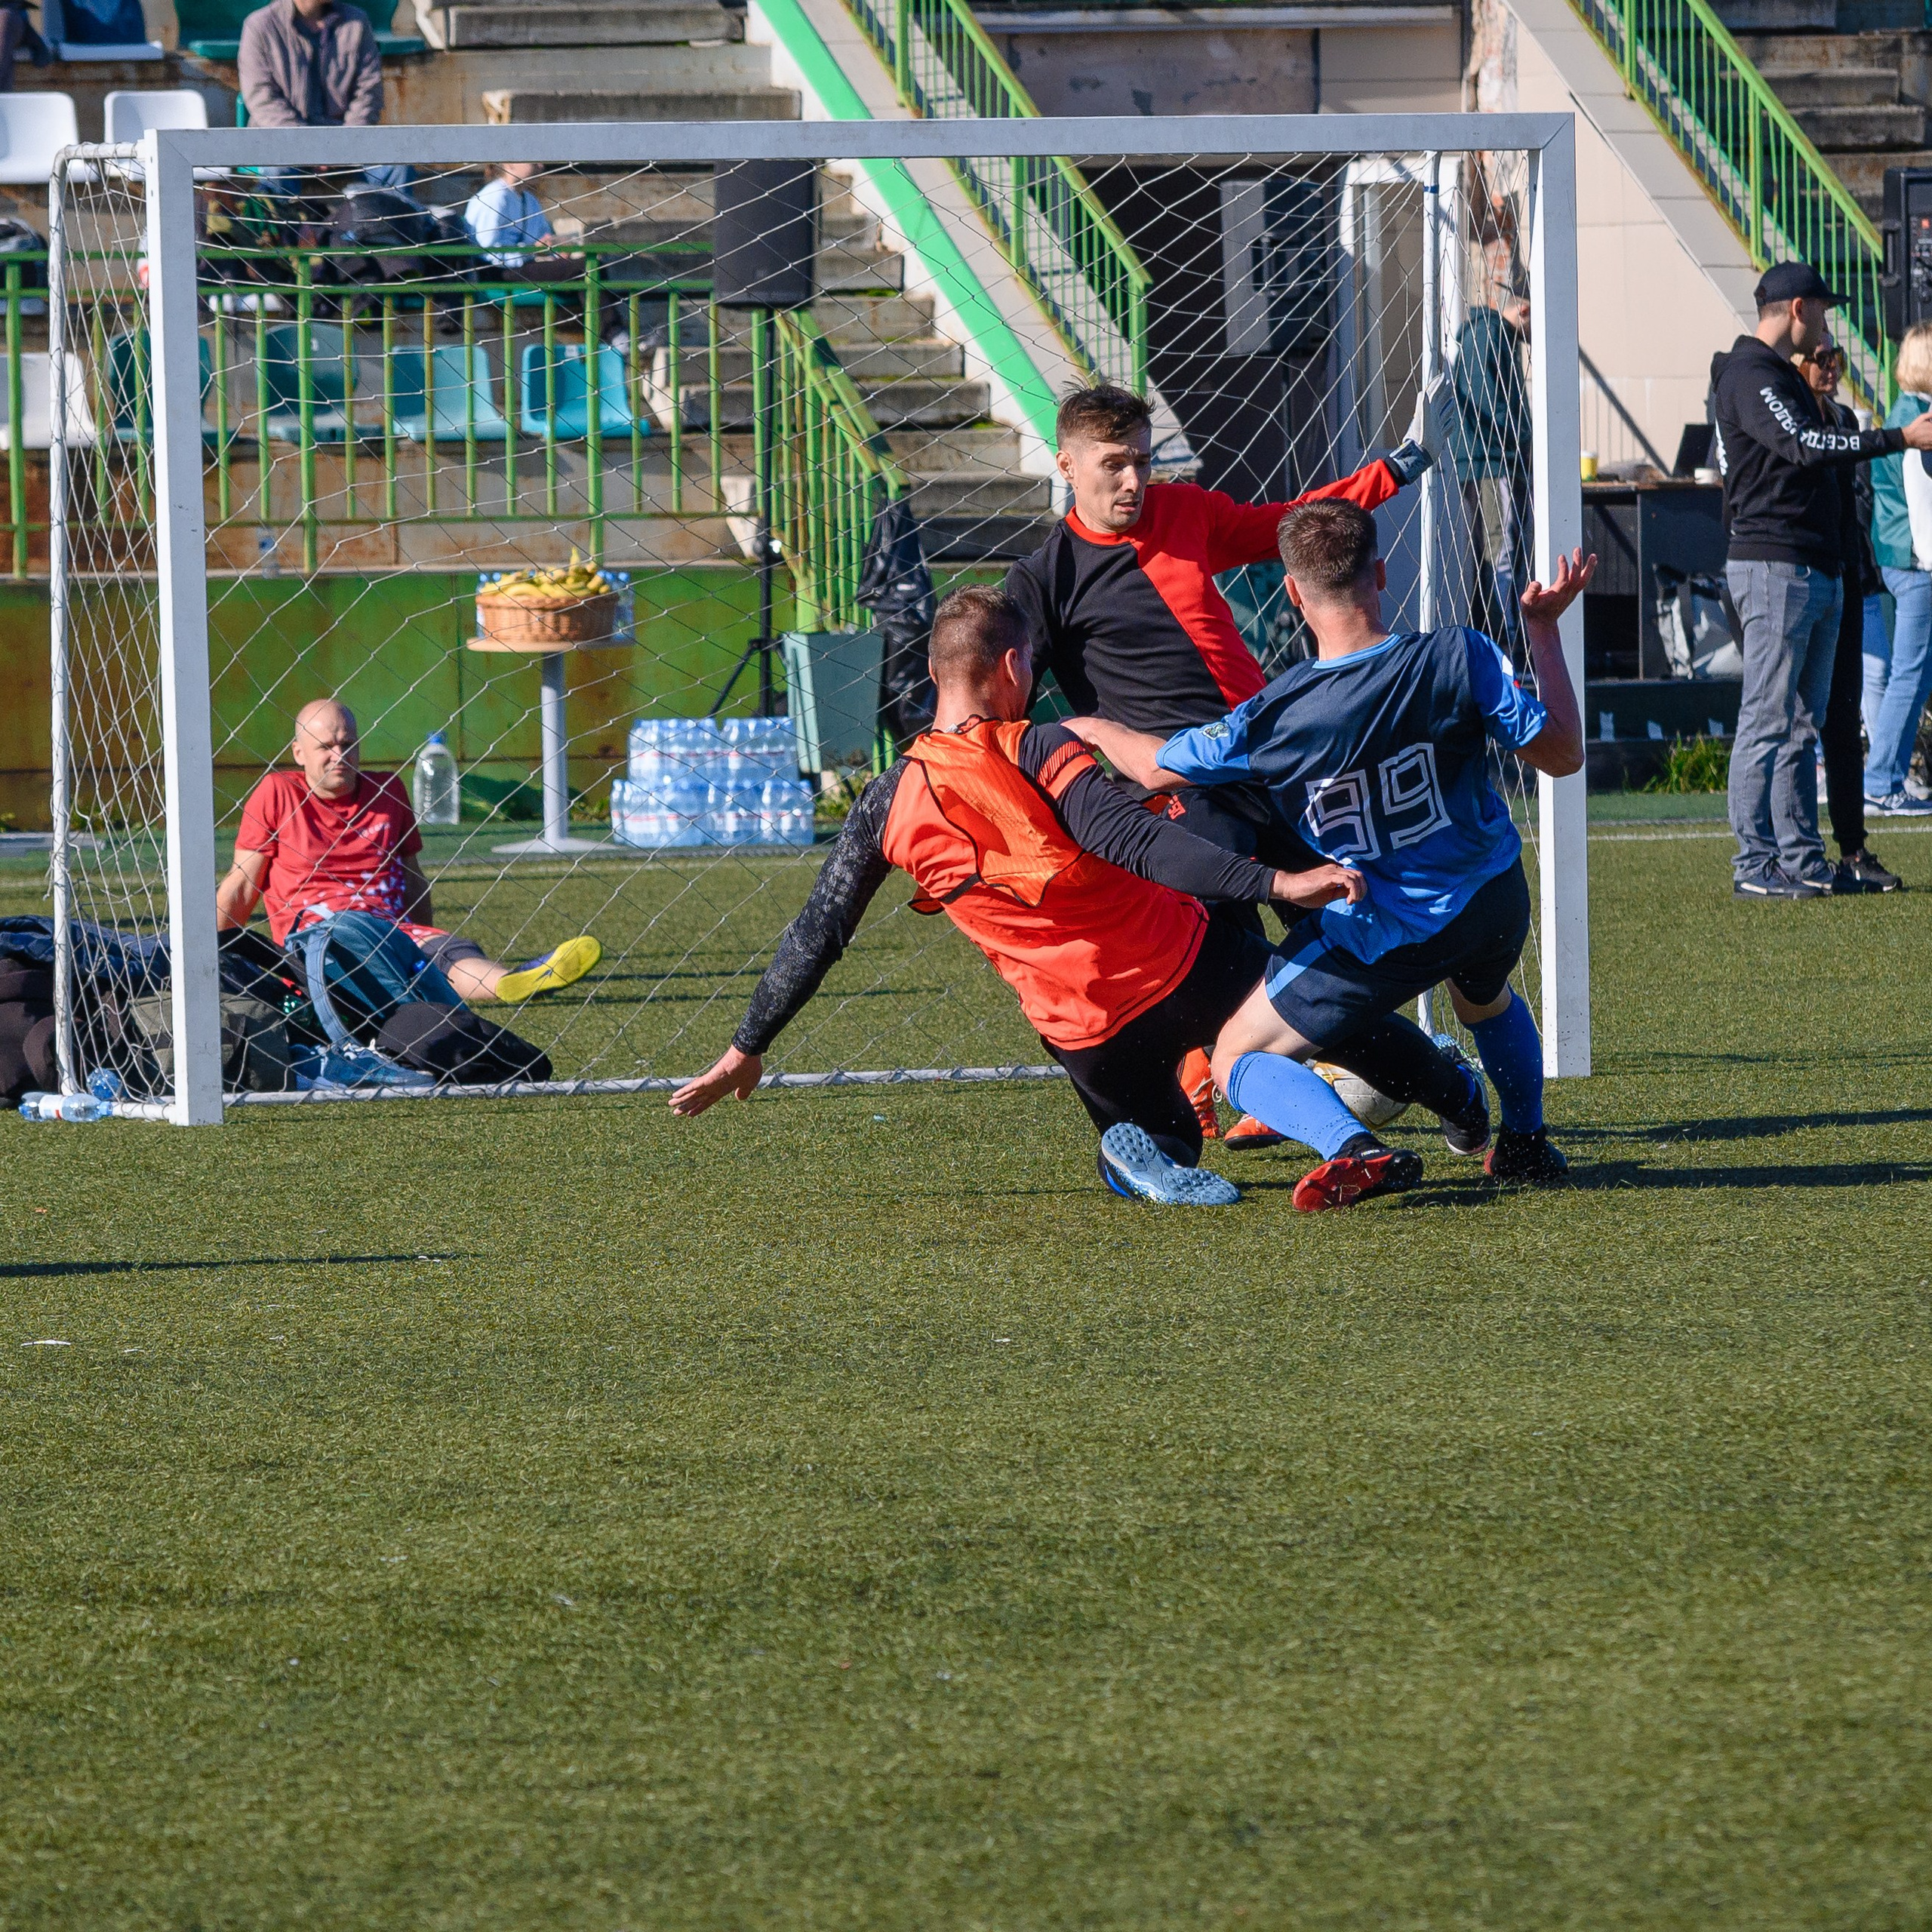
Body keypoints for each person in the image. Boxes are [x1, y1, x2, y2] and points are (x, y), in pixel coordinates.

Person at [667, 586, 1453, 1211]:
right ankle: (1461, 1105)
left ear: (937, 674)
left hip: (1084, 1035)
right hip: (1182, 963)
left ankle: (1130, 1155)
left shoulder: (883, 804)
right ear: (1013, 666)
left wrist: (747, 1045)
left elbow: (818, 930)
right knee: (1330, 1017)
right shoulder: (1039, 746)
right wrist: (1276, 883)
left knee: (1172, 1140)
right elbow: (1138, 842)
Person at [1068, 499, 1591, 1190]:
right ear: (1381, 573)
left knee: (1235, 1058)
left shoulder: (1274, 715)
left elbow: (1156, 768)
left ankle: (1351, 1144)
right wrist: (1542, 629)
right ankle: (1524, 1141)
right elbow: (1564, 755)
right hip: (1490, 898)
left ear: (1292, 591)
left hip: (1380, 926)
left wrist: (1091, 728)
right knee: (1485, 1001)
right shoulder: (1459, 654)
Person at [1002, 382, 1438, 1149]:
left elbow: (1291, 525)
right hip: (1175, 793)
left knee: (1345, 914)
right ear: (1067, 464)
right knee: (1227, 948)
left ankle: (1350, 1074)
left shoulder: (1187, 511)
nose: (1133, 481)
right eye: (1114, 464)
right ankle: (1223, 1081)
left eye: (1143, 461)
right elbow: (1004, 690)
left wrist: (1395, 470)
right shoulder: (1044, 579)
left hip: (1271, 764)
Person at [1709, 261, 1932, 899]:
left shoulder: (1777, 373)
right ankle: (1755, 864)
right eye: (1824, 312)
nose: (1828, 328)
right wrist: (1898, 437)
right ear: (1798, 309)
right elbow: (1805, 444)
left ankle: (1803, 858)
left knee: (1801, 725)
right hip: (1774, 565)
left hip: (1813, 566)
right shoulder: (1751, 372)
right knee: (1767, 718)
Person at [217, 698, 601, 1004]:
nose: (340, 755)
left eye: (348, 744)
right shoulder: (278, 792)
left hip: (392, 932)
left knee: (443, 951)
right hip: (319, 940)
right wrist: (213, 956)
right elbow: (243, 883)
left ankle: (513, 981)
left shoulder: (388, 791)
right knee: (391, 963)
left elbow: (412, 878)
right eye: (326, 747)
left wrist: (426, 931)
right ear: (299, 753)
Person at [1794, 337, 1903, 891]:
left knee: (1843, 719)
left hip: (1844, 576)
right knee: (1794, 721)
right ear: (1797, 365)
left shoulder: (1843, 418)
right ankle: (1791, 852)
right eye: (1821, 359)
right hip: (1798, 577)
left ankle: (1853, 848)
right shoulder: (1787, 419)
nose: (1832, 368)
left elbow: (1857, 504)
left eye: (1835, 358)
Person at [1451, 249, 1531, 660]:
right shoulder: (1491, 334)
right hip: (1492, 460)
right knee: (1501, 549)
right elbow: (1484, 396)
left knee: (1492, 550)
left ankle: (1495, 639)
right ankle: (1506, 642)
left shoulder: (1489, 333)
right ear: (1525, 309)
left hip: (1486, 460)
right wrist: (1523, 433)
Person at [1866, 321, 1932, 820]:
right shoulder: (1919, 421)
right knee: (1909, 676)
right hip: (1917, 560)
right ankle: (1881, 780)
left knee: (1914, 676)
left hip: (1904, 556)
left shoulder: (1906, 414)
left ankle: (1885, 778)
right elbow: (1921, 500)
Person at [238, 0, 409, 193]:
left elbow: (368, 91)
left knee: (396, 166)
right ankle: (282, 214)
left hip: (346, 141)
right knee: (277, 169)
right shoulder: (260, 26)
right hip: (282, 140)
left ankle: (389, 215)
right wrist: (308, 146)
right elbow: (262, 98)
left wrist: (343, 145)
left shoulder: (356, 22)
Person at [464, 162, 555, 269]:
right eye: (533, 162)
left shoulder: (531, 200)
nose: (541, 166)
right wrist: (531, 253)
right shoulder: (495, 196)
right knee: (571, 269)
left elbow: (543, 236)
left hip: (526, 264)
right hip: (497, 270)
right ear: (509, 164)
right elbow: (487, 251)